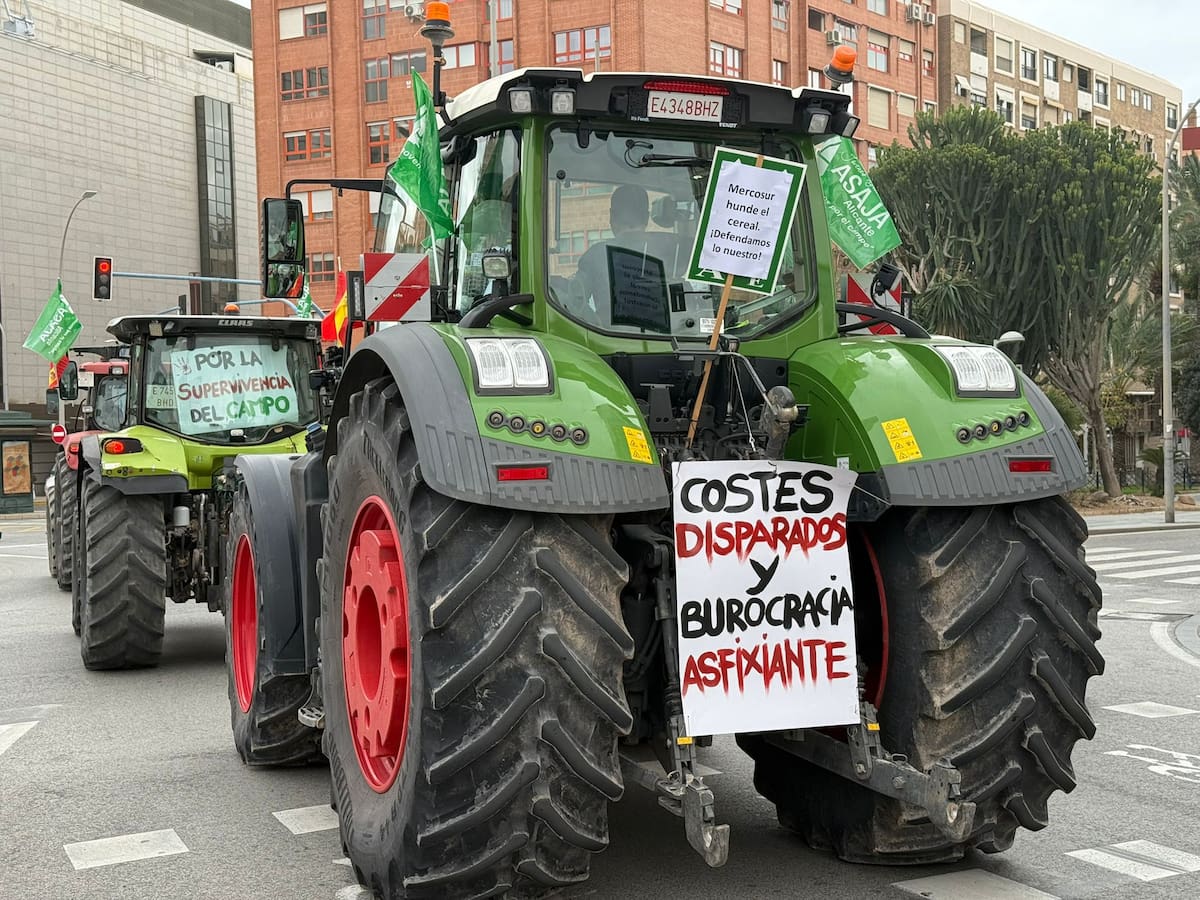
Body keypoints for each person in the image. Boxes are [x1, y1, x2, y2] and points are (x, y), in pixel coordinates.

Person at [571, 185, 680, 326]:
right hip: (672, 340)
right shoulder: (674, 249)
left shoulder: (596, 255)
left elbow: (575, 300)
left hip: (607, 341)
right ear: (647, 217)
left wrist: (597, 323)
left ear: (612, 215)